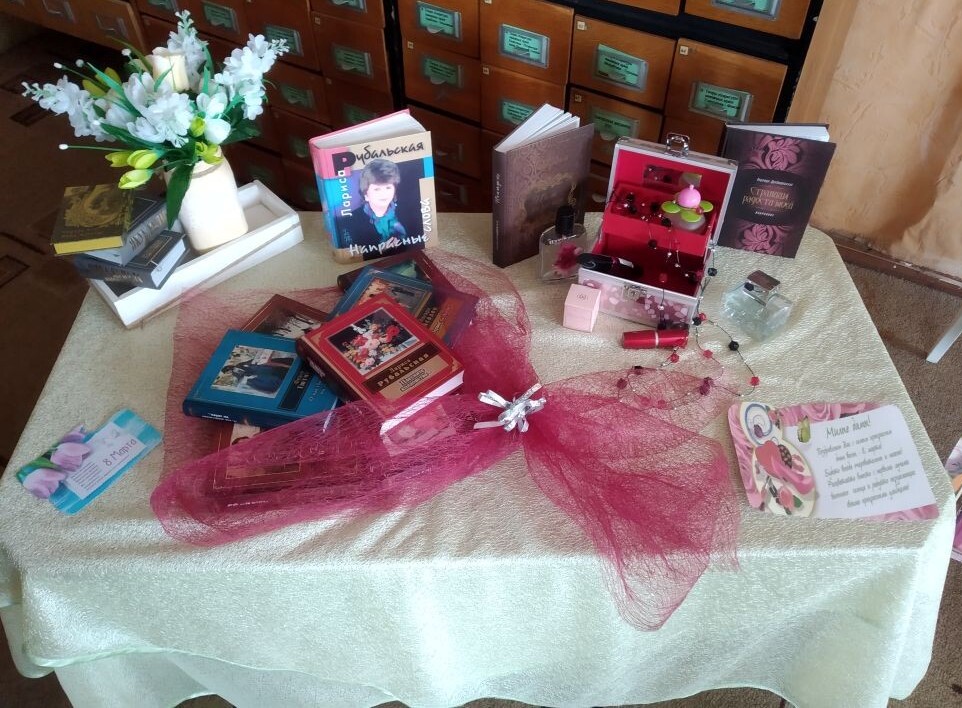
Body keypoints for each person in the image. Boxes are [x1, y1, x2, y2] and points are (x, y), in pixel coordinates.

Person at [340, 159, 413, 250]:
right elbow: (352, 253)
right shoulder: (349, 221)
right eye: (377, 189)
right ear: (366, 194)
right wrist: (380, 251)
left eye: (388, 187)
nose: (384, 194)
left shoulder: (406, 213)